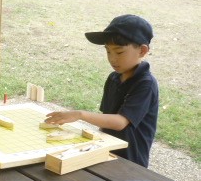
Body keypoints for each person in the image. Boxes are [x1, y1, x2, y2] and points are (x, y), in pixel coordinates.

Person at [44, 14, 159, 167]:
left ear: (142, 51)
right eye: (108, 51)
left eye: (119, 52)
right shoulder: (114, 78)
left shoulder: (146, 84)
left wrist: (79, 114)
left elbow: (120, 122)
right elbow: (106, 119)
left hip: (131, 163)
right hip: (107, 153)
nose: (112, 59)